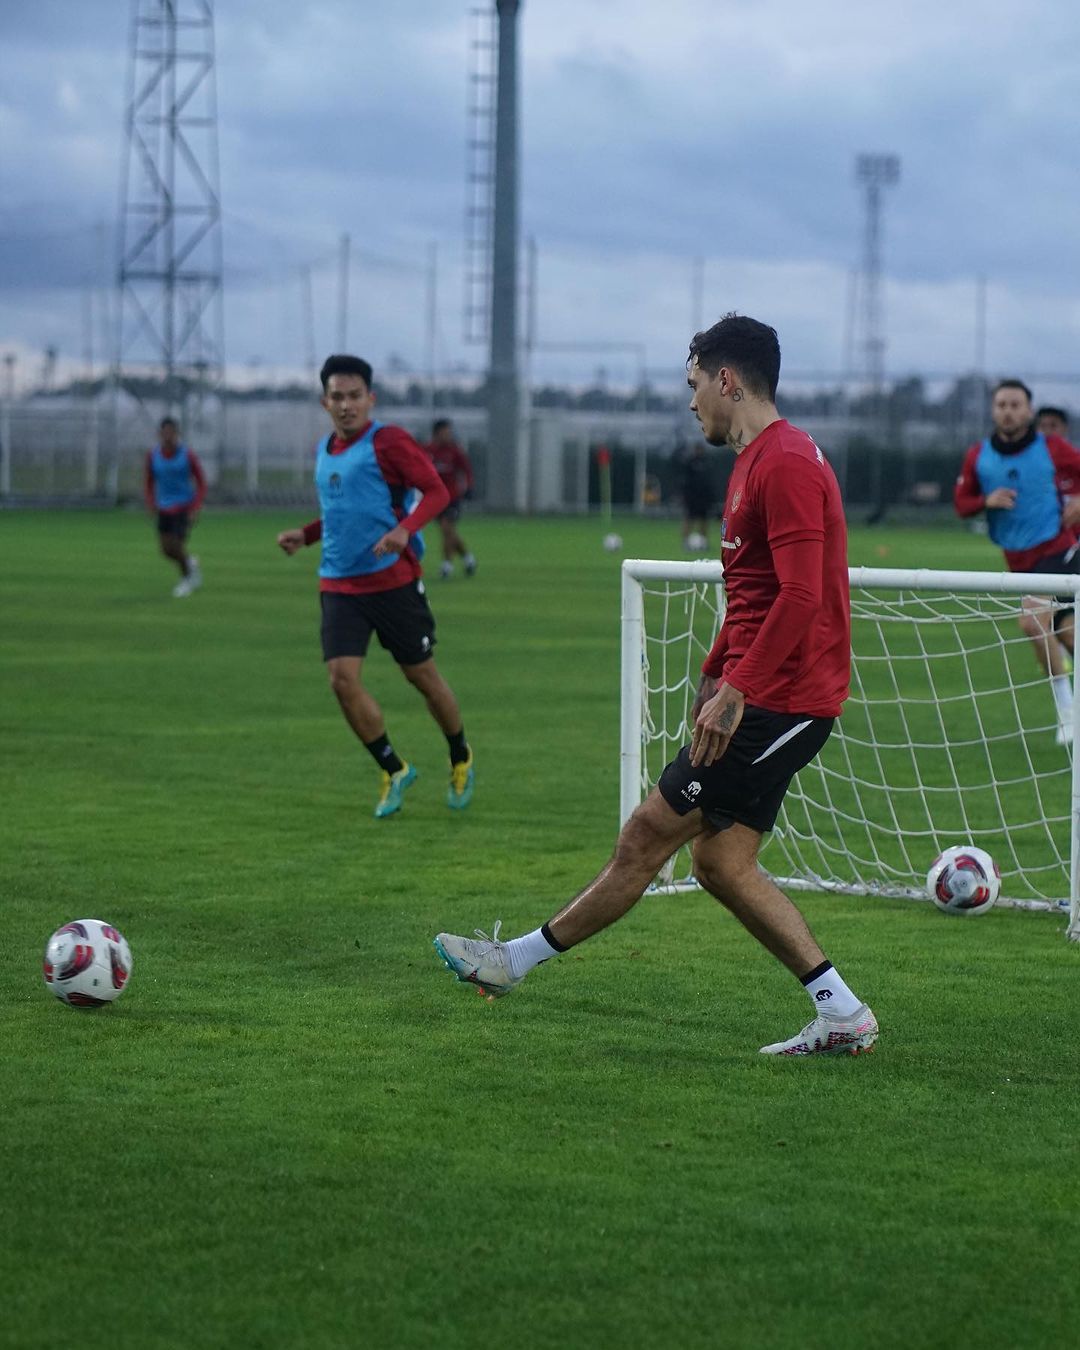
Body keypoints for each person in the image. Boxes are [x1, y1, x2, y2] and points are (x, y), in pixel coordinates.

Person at [434, 314, 878, 1058]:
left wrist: (738, 690)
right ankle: (842, 1012)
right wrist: (715, 667)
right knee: (719, 864)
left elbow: (802, 597)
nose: (691, 399)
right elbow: (758, 593)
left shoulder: (789, 463)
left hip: (784, 701)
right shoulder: (756, 463)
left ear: (727, 379)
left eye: (694, 383)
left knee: (646, 834)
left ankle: (513, 961)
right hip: (765, 694)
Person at [277, 355, 474, 817]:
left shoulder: (388, 442)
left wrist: (406, 528)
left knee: (421, 677)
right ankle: (394, 768)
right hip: (339, 585)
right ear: (325, 402)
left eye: (354, 396)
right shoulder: (326, 449)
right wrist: (305, 536)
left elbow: (438, 492)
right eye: (337, 398)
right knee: (341, 680)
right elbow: (342, 513)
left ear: (370, 399)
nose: (346, 406)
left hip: (393, 583)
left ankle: (460, 754)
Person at [955, 380, 1080, 744]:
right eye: (1001, 404)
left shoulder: (1052, 448)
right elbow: (961, 503)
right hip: (1020, 563)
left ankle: (1067, 710)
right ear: (993, 410)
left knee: (1030, 623)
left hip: (1060, 550)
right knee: (1066, 634)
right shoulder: (979, 456)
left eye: (1015, 404)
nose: (1008, 410)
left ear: (1028, 412)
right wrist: (985, 502)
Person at [144, 417, 206, 598]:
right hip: (164, 507)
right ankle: (189, 562)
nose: (168, 436)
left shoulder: (187, 455)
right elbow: (148, 481)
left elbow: (201, 482)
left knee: (176, 545)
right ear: (160, 434)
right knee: (166, 550)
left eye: (172, 432)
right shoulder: (153, 455)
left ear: (177, 434)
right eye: (165, 432)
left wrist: (196, 506)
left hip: (184, 506)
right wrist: (150, 502)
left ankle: (187, 580)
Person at [424, 418, 477, 579]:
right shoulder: (428, 450)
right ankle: (468, 558)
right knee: (449, 532)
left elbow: (466, 470)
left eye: (449, 432)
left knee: (447, 528)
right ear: (436, 433)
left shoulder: (455, 451)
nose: (448, 435)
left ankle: (447, 566)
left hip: (452, 497)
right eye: (445, 432)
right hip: (434, 498)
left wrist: (469, 487)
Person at [678, 441, 716, 550]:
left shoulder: (707, 463)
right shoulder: (689, 463)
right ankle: (685, 542)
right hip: (692, 497)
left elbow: (709, 481)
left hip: (703, 498)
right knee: (688, 518)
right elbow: (684, 480)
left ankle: (704, 542)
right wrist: (685, 495)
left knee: (704, 520)